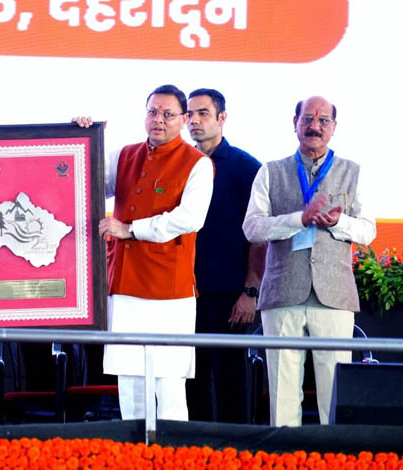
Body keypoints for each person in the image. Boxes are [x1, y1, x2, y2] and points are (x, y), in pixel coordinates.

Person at [75, 84, 214, 421]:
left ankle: (173, 450)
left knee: (169, 384)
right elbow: (85, 181)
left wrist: (130, 229)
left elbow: (190, 219)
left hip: (170, 290)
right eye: (153, 112)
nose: (158, 120)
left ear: (183, 119)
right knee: (130, 382)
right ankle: (133, 449)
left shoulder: (198, 163)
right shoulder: (125, 155)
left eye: (168, 114)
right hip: (125, 284)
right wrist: (82, 139)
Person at [242, 96, 376, 426]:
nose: (315, 126)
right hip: (282, 291)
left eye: (323, 120)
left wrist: (339, 222)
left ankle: (332, 452)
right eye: (307, 119)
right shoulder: (270, 171)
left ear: (333, 127)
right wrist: (297, 220)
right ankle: (285, 451)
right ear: (295, 123)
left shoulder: (353, 172)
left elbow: (368, 231)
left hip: (334, 294)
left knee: (334, 389)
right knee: (282, 391)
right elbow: (252, 227)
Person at [184, 88, 266, 423]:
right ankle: (193, 448)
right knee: (189, 379)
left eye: (203, 113)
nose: (194, 121)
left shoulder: (247, 168)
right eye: (189, 114)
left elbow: (259, 236)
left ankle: (235, 447)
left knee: (230, 379)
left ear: (222, 118)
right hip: (182, 292)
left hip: (229, 294)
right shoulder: (179, 163)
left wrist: (250, 291)